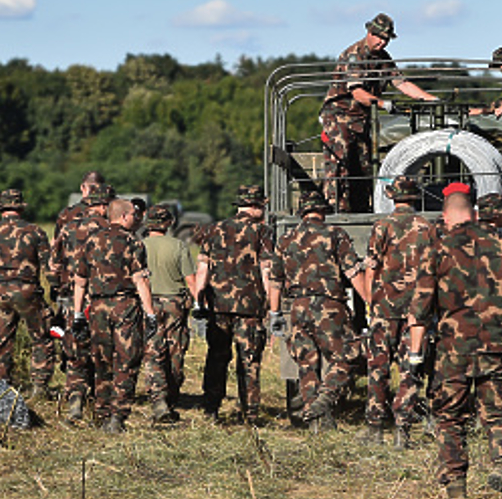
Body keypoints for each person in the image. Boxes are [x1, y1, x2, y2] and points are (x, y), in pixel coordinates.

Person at [408, 185, 502, 499]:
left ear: (445, 216)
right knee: (499, 414)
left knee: (450, 418)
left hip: (452, 351)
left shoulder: (436, 248)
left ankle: (456, 488)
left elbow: (420, 309)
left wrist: (414, 356)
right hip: (497, 346)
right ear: (475, 213)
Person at [267, 189, 367, 432]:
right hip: (329, 306)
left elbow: (275, 281)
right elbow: (353, 273)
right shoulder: (335, 234)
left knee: (306, 363)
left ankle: (316, 422)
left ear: (302, 211)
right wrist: (371, 304)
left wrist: (275, 314)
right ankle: (325, 397)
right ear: (323, 210)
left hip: (298, 308)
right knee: (348, 355)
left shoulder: (286, 239)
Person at [320, 13, 440, 212]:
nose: (382, 42)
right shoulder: (355, 55)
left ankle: (360, 211)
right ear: (369, 33)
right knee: (339, 164)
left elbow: (401, 83)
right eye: (379, 37)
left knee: (364, 167)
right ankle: (334, 211)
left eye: (386, 39)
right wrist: (384, 104)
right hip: (339, 117)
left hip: (362, 119)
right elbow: (357, 93)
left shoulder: (383, 58)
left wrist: (429, 98)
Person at [71, 198, 158, 433]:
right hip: (125, 306)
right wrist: (151, 315)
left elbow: (80, 281)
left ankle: (101, 412)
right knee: (126, 361)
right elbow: (141, 280)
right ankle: (117, 417)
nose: (136, 218)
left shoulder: (90, 241)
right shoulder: (133, 242)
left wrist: (78, 314)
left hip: (97, 307)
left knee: (102, 361)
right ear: (123, 216)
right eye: (133, 214)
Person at [361, 176, 435, 447]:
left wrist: (371, 304)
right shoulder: (427, 227)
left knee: (377, 367)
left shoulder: (381, 226)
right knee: (410, 369)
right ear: (415, 197)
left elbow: (371, 267)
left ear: (393, 197)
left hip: (384, 308)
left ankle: (375, 428)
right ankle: (402, 430)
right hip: (417, 311)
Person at [196, 185, 275, 424]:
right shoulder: (262, 231)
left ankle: (211, 409)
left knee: (216, 357)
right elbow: (266, 270)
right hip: (249, 308)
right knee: (249, 360)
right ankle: (249, 414)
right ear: (256, 205)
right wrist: (273, 308)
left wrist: (199, 302)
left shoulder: (213, 229)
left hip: (218, 308)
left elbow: (202, 269)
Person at [0, 189, 58, 400]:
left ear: (1, 210)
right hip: (27, 291)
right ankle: (39, 386)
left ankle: (2, 384)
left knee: (1, 340)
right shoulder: (35, 232)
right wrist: (57, 290)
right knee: (42, 337)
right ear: (20, 208)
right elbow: (50, 267)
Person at [53, 182, 116, 420]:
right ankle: (102, 409)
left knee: (75, 354)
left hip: (72, 300)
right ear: (103, 205)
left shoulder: (68, 228)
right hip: (101, 300)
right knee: (102, 355)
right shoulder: (110, 229)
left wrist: (58, 290)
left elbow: (54, 264)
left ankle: (75, 402)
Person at [141, 204, 197, 423]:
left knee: (153, 352)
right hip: (175, 304)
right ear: (169, 223)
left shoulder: (139, 245)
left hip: (148, 303)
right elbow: (191, 281)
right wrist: (200, 305)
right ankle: (171, 397)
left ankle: (158, 400)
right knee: (175, 351)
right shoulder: (178, 246)